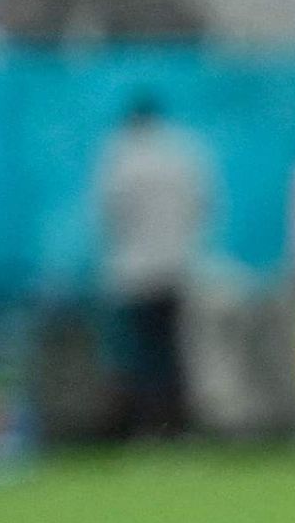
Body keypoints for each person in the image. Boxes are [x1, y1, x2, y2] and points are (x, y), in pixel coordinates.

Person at [89, 93, 213, 440]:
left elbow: (108, 214)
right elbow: (203, 205)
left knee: (141, 353)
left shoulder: (119, 155)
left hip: (134, 270)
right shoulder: (183, 153)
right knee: (176, 351)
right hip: (176, 266)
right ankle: (179, 425)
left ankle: (147, 426)